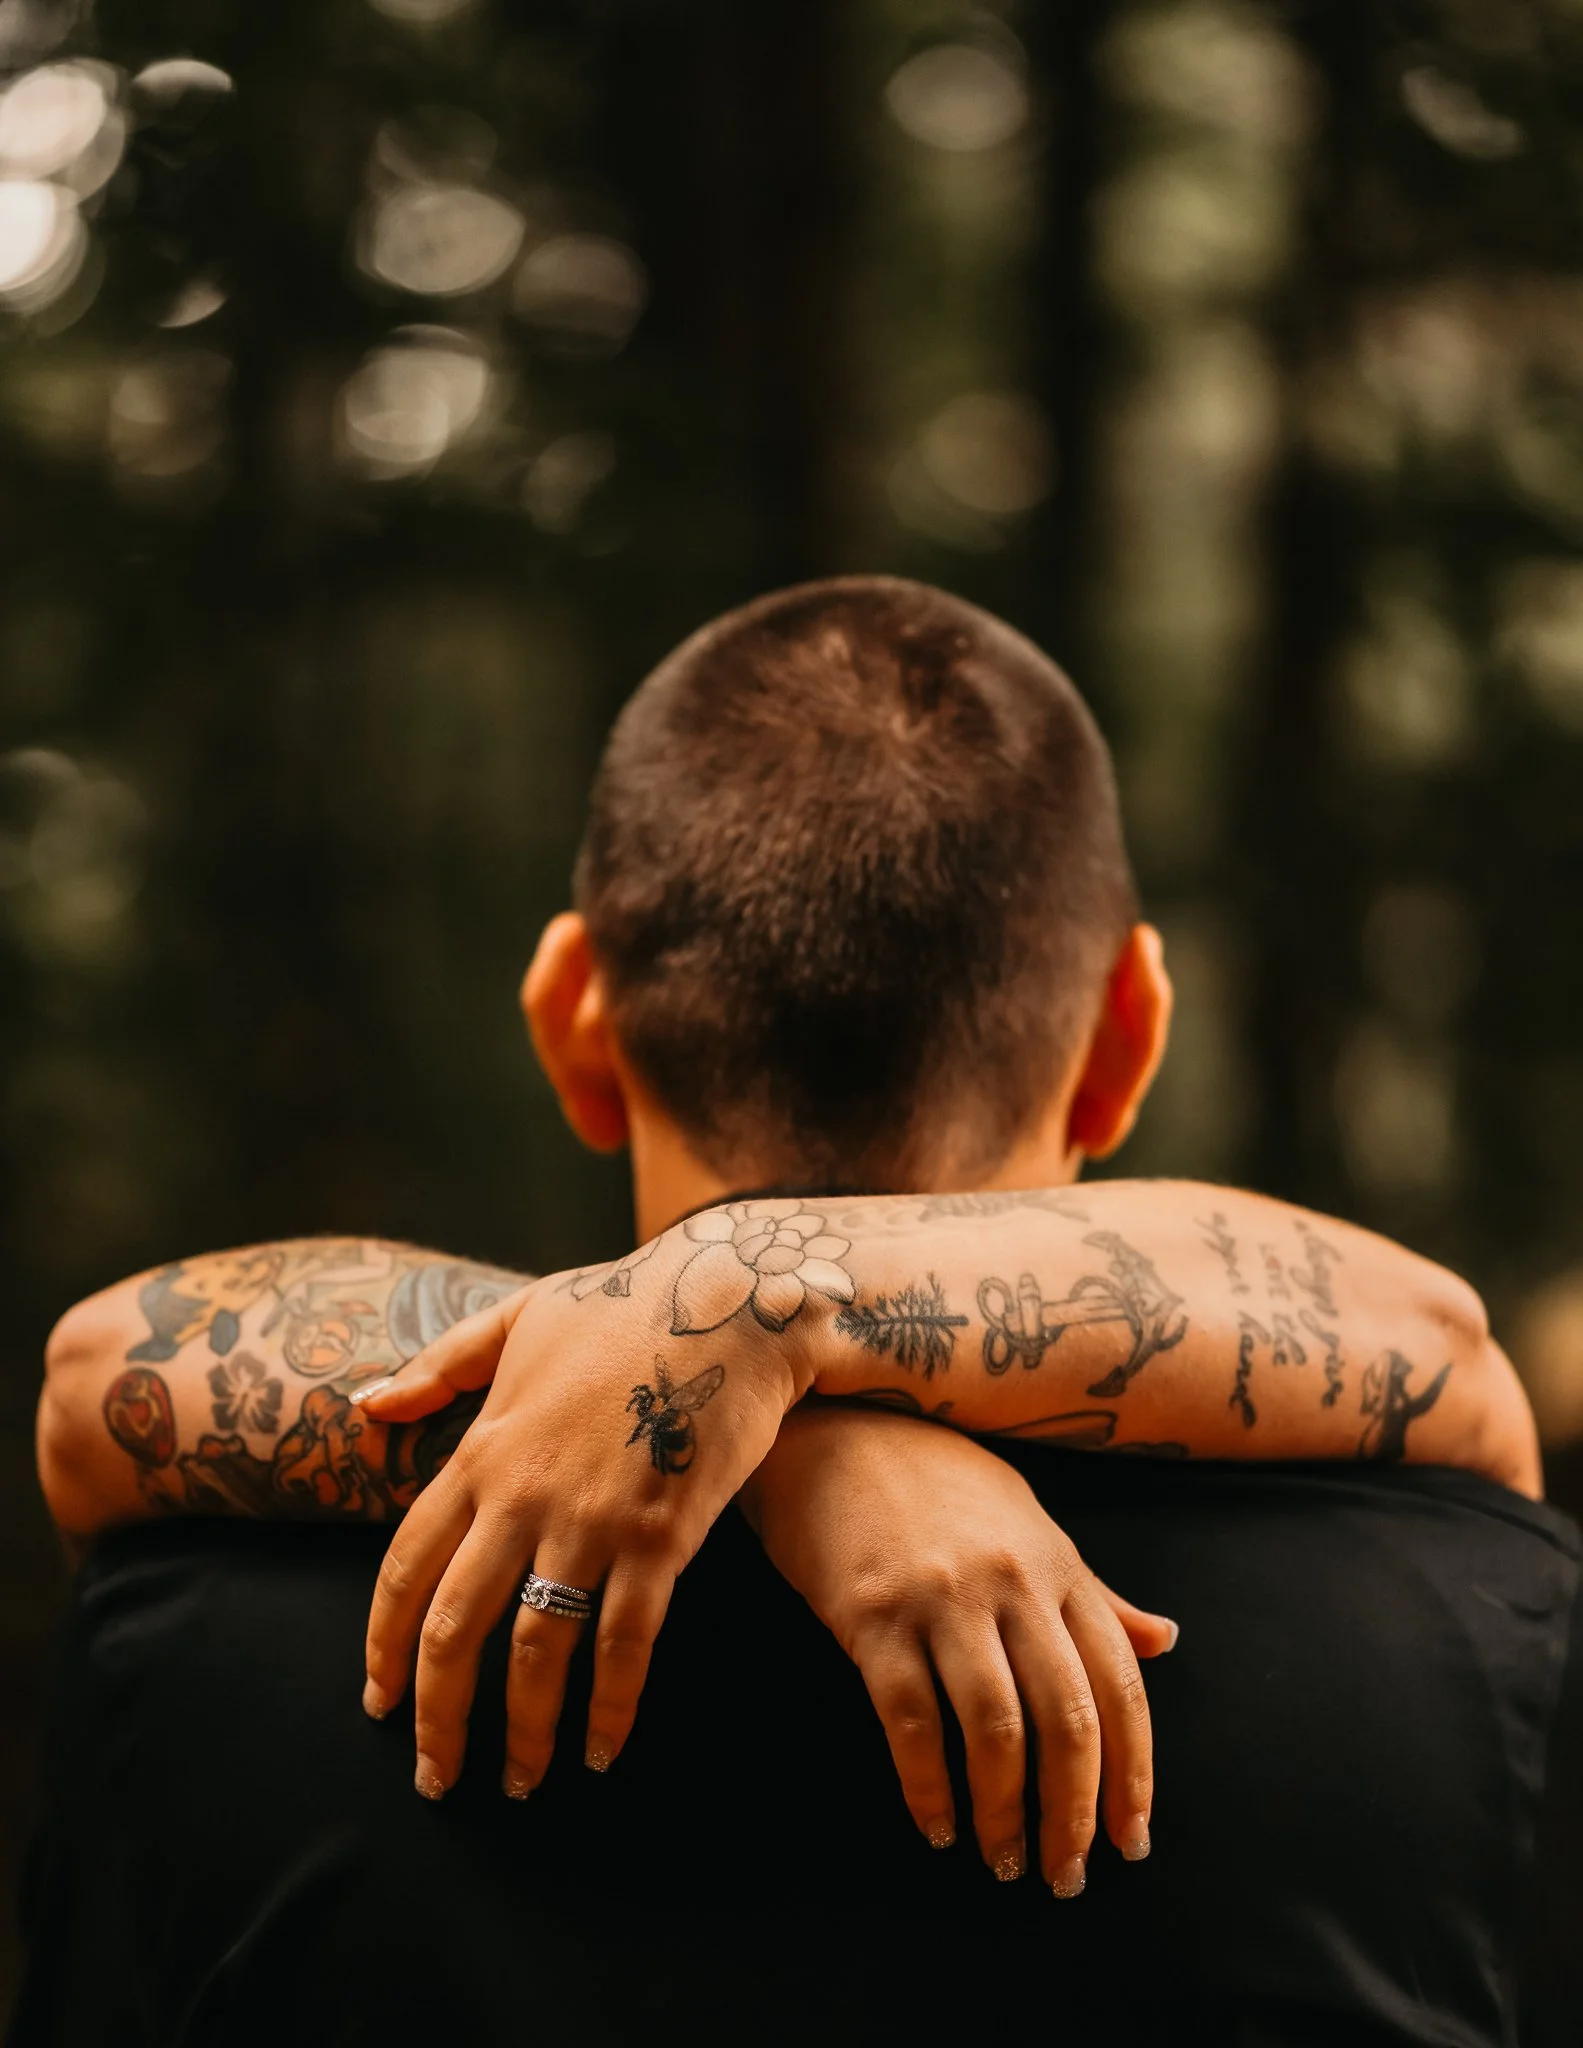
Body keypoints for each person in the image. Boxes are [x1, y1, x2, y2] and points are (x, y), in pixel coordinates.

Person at [20, 579, 1574, 2047]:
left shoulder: (190, 1646)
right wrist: (787, 1430)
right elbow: (1461, 1378)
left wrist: (740, 1326)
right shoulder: (1484, 1636)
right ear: (1129, 1035)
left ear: (572, 1020)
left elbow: (103, 1381)